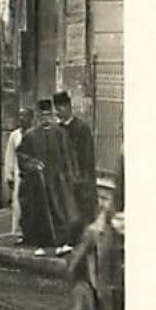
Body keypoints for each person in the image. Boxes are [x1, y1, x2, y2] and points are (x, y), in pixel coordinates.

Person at [17, 99, 81, 255]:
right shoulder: (30, 135)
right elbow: (22, 156)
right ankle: (41, 245)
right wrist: (33, 165)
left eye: (48, 115)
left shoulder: (60, 134)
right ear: (38, 116)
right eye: (42, 115)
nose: (46, 118)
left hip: (58, 181)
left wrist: (70, 177)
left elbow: (68, 157)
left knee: (60, 211)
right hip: (38, 182)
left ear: (52, 115)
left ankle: (61, 244)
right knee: (40, 214)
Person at [53, 90, 97, 230]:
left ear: (67, 107)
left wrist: (82, 178)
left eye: (59, 109)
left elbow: (87, 157)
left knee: (82, 215)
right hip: (63, 180)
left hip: (80, 180)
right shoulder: (57, 129)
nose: (57, 113)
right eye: (56, 109)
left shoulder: (82, 128)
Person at [4, 107, 33, 239]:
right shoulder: (15, 136)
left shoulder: (35, 134)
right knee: (18, 203)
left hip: (33, 174)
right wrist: (9, 175)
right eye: (20, 116)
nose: (22, 119)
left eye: (25, 116)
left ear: (31, 118)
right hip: (18, 173)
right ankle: (19, 232)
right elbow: (9, 156)